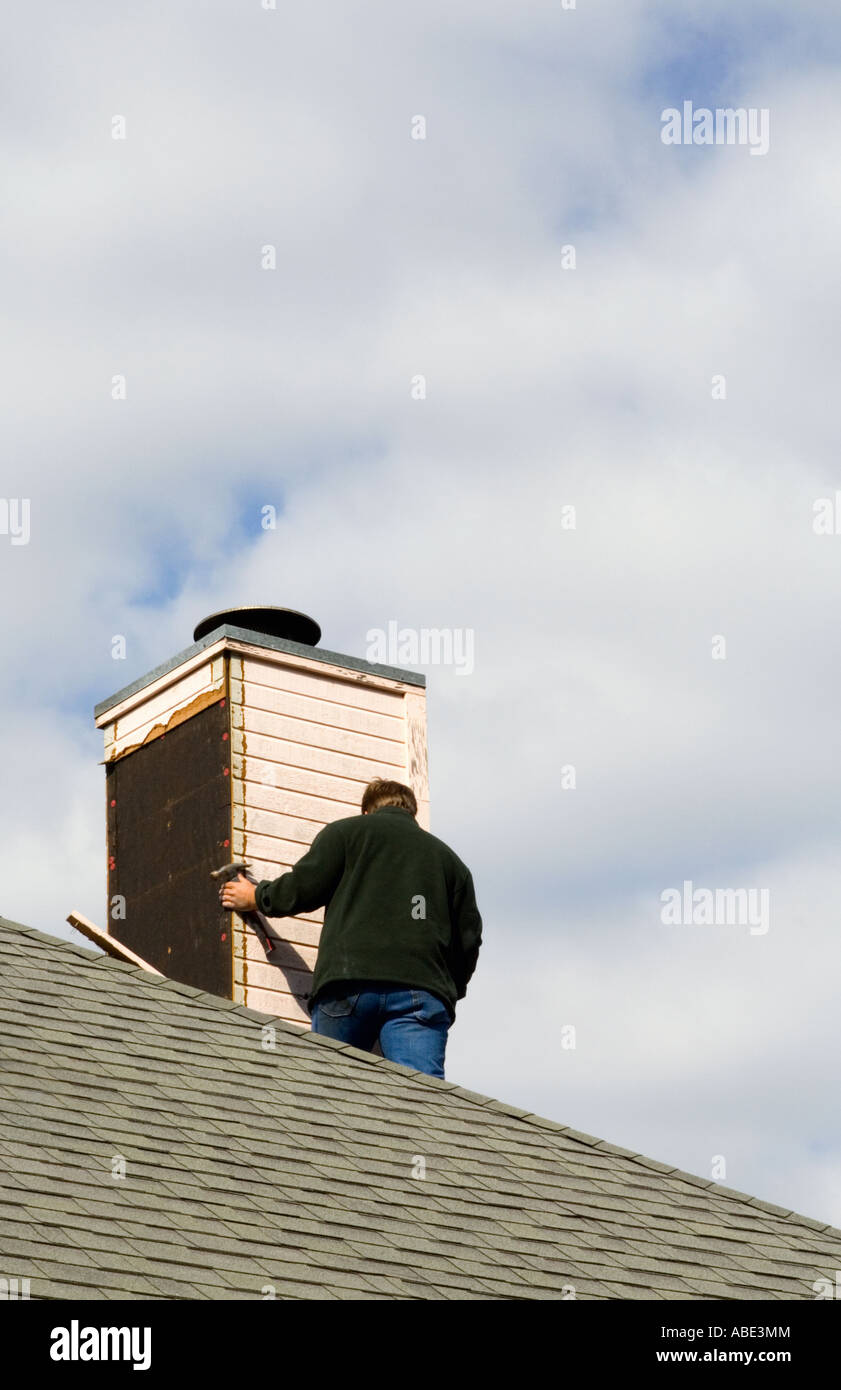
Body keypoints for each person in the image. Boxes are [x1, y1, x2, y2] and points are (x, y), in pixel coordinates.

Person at [219, 777, 482, 1078]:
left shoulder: (345, 833)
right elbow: (469, 940)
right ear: (412, 813)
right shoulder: (450, 862)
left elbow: (302, 889)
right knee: (422, 1096)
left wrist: (255, 896)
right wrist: (448, 989)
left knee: (333, 1089)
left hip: (348, 982)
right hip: (420, 992)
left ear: (367, 812)